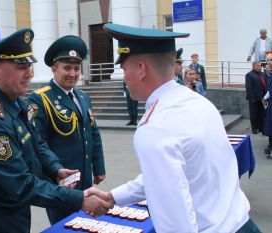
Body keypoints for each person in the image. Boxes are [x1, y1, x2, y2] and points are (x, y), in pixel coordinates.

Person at [86, 23, 261, 232]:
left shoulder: (155, 128)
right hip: (243, 224)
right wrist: (114, 197)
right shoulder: (199, 102)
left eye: (124, 69)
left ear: (141, 69)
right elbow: (175, 173)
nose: (124, 77)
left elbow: (175, 221)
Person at [0, 28, 112, 233]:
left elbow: (37, 144)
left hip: (14, 205)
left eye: (29, 66)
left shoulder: (13, 102)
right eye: (21, 67)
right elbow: (21, 184)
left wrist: (56, 170)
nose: (29, 74)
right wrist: (79, 200)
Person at [26, 35, 106, 224]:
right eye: (67, 68)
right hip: (61, 184)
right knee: (65, 226)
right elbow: (39, 143)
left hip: (85, 179)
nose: (73, 74)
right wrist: (57, 169)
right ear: (54, 69)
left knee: (86, 224)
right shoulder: (40, 99)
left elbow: (93, 133)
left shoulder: (83, 97)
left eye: (76, 68)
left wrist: (99, 167)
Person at [245, 61, 267, 134]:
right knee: (254, 114)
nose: (260, 67)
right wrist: (252, 98)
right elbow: (249, 87)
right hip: (254, 98)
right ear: (254, 67)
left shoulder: (262, 74)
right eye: (258, 66)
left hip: (262, 98)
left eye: (260, 65)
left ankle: (260, 127)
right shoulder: (249, 75)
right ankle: (254, 128)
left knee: (261, 113)